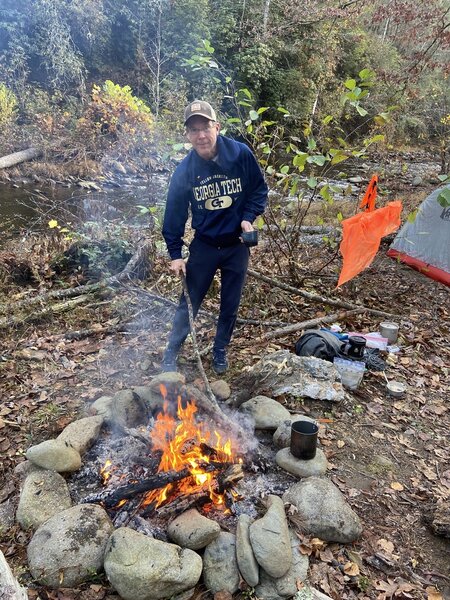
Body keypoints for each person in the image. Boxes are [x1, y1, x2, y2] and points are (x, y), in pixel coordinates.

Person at [161, 99, 268, 373]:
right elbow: (174, 213)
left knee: (230, 303)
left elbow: (259, 190)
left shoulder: (240, 154)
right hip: (205, 246)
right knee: (189, 303)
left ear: (217, 127)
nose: (200, 135)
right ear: (187, 135)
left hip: (236, 245)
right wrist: (175, 254)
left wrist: (248, 218)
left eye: (205, 127)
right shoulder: (185, 170)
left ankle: (220, 350)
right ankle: (171, 352)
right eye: (193, 130)